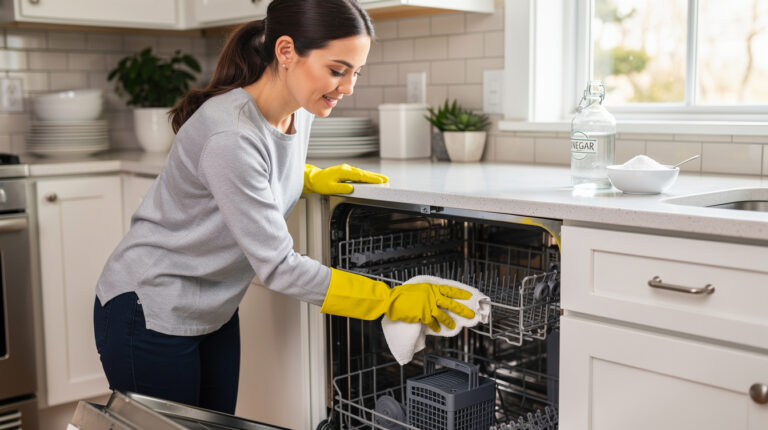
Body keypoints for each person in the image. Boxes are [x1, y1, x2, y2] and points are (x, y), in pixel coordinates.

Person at [93, 0, 475, 415]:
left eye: (356, 72)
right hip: (149, 310)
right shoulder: (229, 135)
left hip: (212, 309)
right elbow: (278, 266)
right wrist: (389, 299)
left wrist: (307, 176)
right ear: (286, 52)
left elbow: (257, 169)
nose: (347, 87)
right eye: (336, 69)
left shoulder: (300, 109)